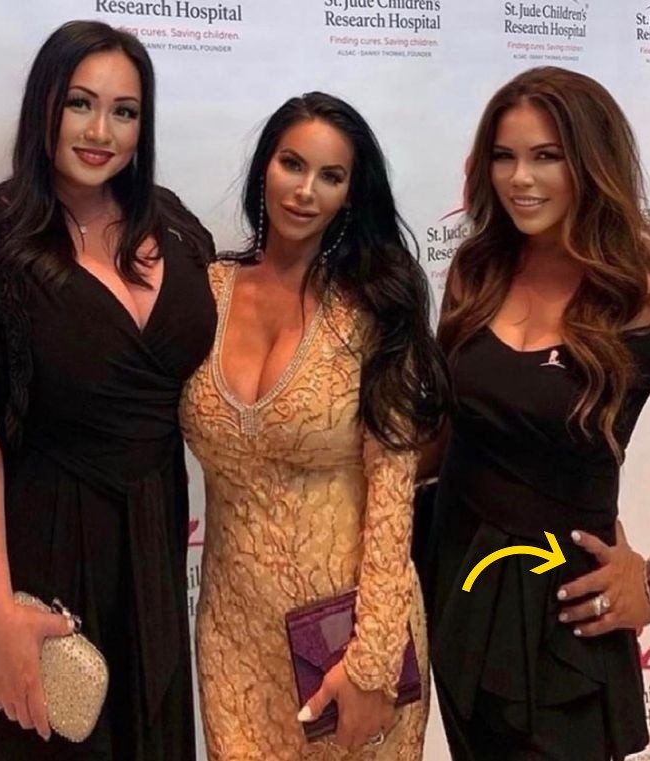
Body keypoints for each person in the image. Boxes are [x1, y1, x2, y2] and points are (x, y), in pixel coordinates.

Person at [0, 20, 216, 760]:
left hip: (154, 536)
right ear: (45, 106)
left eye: (124, 111)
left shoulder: (175, 224)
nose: (101, 132)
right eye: (80, 104)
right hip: (45, 544)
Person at [421, 66, 650, 761]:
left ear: (591, 163)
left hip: (566, 617)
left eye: (547, 156)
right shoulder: (475, 272)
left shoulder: (643, 296)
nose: (520, 179)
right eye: (504, 156)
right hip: (457, 584)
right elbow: (444, 432)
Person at [179, 91, 448, 760]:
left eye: (330, 176)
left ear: (351, 193)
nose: (305, 191)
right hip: (235, 637)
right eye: (292, 164)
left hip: (350, 635)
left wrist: (371, 663)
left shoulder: (373, 307)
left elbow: (393, 494)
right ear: (263, 168)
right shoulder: (203, 291)